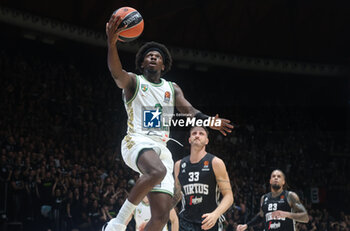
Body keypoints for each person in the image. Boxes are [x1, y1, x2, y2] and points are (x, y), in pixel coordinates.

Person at [103, 13, 233, 231]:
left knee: (162, 215)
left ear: (164, 65)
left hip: (161, 149)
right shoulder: (134, 82)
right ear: (142, 63)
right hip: (136, 140)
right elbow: (117, 74)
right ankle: (117, 224)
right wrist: (112, 45)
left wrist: (209, 121)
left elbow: (189, 110)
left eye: (158, 56)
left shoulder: (172, 88)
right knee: (157, 172)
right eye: (149, 56)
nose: (153, 57)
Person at [174, 126, 234, 231]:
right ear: (189, 139)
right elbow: (177, 195)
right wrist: (159, 213)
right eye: (194, 133)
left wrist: (215, 214)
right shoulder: (179, 165)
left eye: (201, 134)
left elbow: (229, 197)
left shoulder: (216, 162)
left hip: (209, 221)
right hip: (185, 223)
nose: (197, 135)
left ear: (207, 141)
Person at [236, 169, 309, 231]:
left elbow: (305, 217)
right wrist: (247, 225)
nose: (276, 178)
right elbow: (261, 216)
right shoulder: (264, 198)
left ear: (283, 182)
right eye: (273, 176)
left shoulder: (290, 196)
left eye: (279, 176)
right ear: (270, 181)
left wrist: (286, 214)